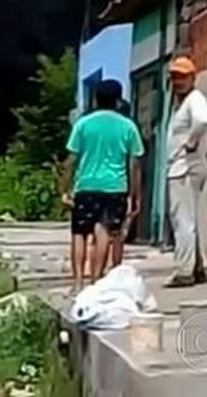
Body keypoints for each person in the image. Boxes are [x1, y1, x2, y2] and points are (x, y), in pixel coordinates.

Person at [61, 79, 145, 293]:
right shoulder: (128, 126)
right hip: (115, 187)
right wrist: (135, 195)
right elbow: (135, 164)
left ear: (96, 99)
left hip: (86, 186)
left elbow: (71, 159)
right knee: (104, 233)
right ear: (118, 100)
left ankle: (77, 282)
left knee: (79, 233)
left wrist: (64, 188)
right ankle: (96, 281)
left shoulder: (83, 124)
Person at [165, 56, 207, 288]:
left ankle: (184, 271)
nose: (177, 81)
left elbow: (203, 120)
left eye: (182, 77)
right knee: (189, 219)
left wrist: (191, 142)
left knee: (182, 220)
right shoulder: (182, 102)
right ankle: (197, 267)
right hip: (184, 165)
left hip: (184, 167)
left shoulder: (194, 99)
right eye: (174, 77)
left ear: (193, 78)